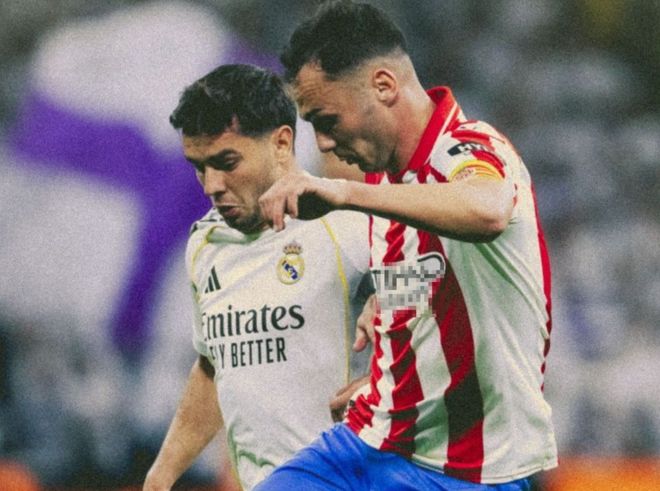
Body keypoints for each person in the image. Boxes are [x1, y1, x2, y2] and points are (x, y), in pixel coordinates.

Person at [255, 1, 558, 489]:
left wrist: (343, 193)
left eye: (326, 120)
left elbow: (488, 209)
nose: (323, 143)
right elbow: (438, 277)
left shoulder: (470, 147)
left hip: (468, 469)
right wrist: (390, 365)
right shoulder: (388, 177)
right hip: (371, 441)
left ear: (384, 85)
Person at [143, 64, 372, 491]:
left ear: (281, 143)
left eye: (226, 162)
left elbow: (456, 312)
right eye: (199, 166)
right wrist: (161, 475)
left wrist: (389, 382)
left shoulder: (348, 226)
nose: (211, 185)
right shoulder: (205, 246)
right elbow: (213, 366)